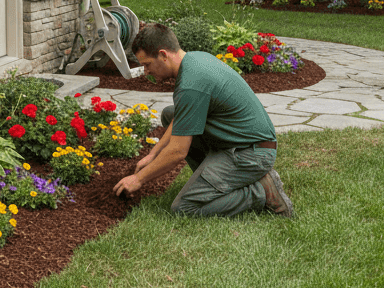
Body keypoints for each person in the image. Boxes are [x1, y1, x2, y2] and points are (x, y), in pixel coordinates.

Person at [113, 23, 294, 218]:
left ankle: (260, 192)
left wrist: (138, 179)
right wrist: (153, 155)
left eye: (147, 64)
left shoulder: (191, 84)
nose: (146, 71)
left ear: (163, 55)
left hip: (252, 154)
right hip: (242, 142)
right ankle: (214, 183)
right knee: (170, 114)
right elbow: (183, 117)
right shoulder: (195, 59)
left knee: (184, 208)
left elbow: (177, 151)